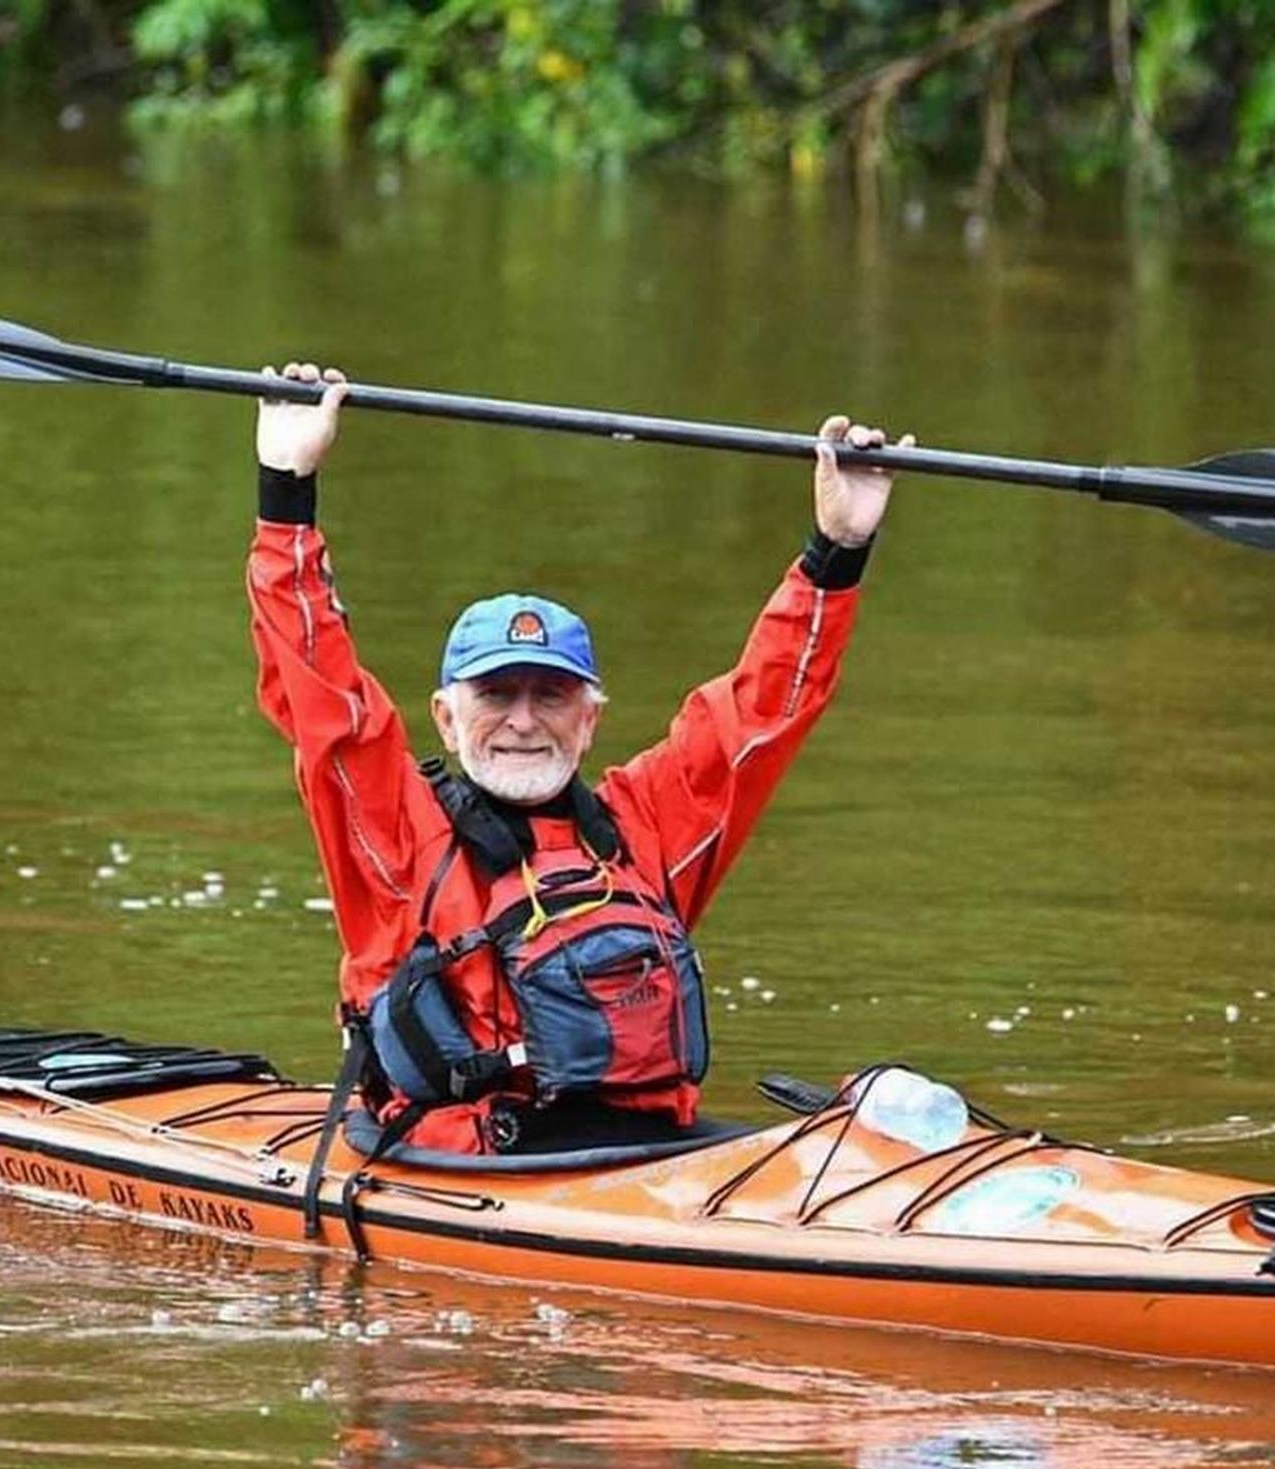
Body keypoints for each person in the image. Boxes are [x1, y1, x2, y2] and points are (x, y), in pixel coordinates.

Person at [248, 363, 911, 1156]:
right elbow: (320, 691)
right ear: (447, 719)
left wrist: (838, 547)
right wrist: (286, 491)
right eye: (496, 694)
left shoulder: (645, 824)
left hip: (650, 1158)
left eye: (551, 696)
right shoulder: (396, 831)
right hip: (466, 1164)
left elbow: (763, 711)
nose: (524, 721)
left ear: (590, 719)